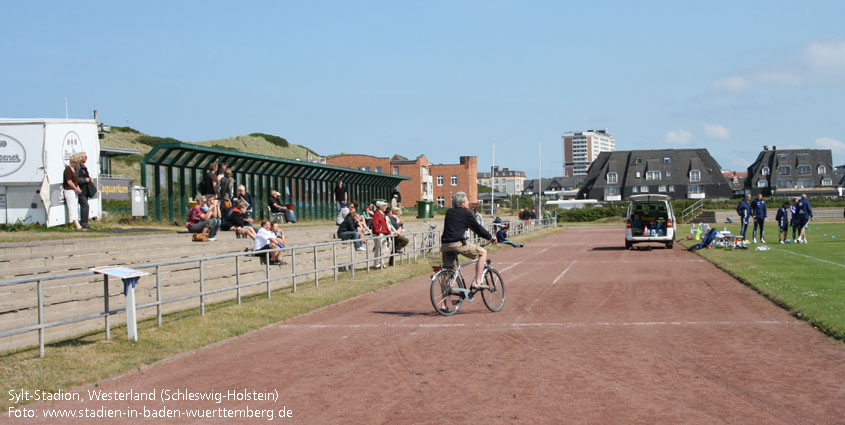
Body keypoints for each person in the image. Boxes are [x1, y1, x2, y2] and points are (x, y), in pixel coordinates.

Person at [441, 191, 496, 290]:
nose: (469, 203)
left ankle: (444, 305)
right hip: (457, 243)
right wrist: (490, 237)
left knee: (447, 274)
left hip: (445, 245)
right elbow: (478, 229)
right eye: (467, 201)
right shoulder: (466, 213)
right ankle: (477, 281)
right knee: (483, 253)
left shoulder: (449, 212)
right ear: (462, 203)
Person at [63, 154, 84, 230]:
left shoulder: (73, 169)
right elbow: (69, 181)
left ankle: (76, 222)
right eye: (78, 162)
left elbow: (75, 181)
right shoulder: (68, 169)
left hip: (73, 190)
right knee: (72, 206)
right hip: (69, 190)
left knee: (75, 206)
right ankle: (76, 223)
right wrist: (76, 188)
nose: (78, 163)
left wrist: (77, 188)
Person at [370, 201, 391, 268]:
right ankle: (376, 264)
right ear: (380, 207)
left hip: (383, 233)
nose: (386, 207)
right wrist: (378, 232)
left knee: (384, 248)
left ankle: (382, 263)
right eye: (384, 206)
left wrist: (388, 232)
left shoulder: (382, 214)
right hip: (378, 234)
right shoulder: (377, 214)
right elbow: (374, 223)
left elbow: (384, 225)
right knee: (378, 249)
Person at [75, 152, 93, 229]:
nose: (86, 158)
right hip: (80, 190)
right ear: (81, 158)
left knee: (85, 205)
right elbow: (76, 179)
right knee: (85, 205)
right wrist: (85, 180)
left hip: (85, 190)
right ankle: (84, 223)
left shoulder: (83, 166)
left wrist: (89, 179)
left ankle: (85, 222)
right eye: (85, 157)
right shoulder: (78, 167)